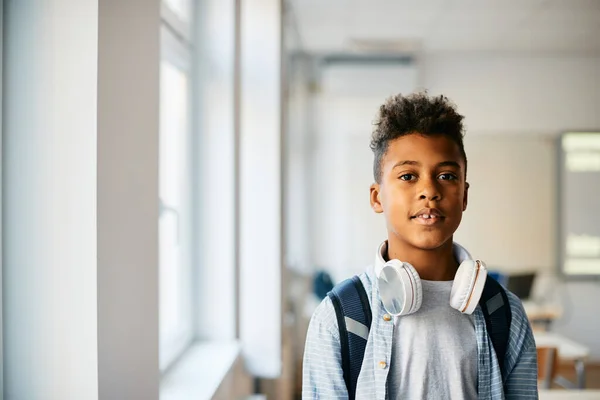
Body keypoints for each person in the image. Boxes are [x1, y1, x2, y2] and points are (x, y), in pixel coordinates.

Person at [302, 92, 538, 399]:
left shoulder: (506, 314)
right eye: (408, 175)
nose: (429, 190)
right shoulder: (338, 318)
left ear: (464, 195)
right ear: (377, 197)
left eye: (446, 175)